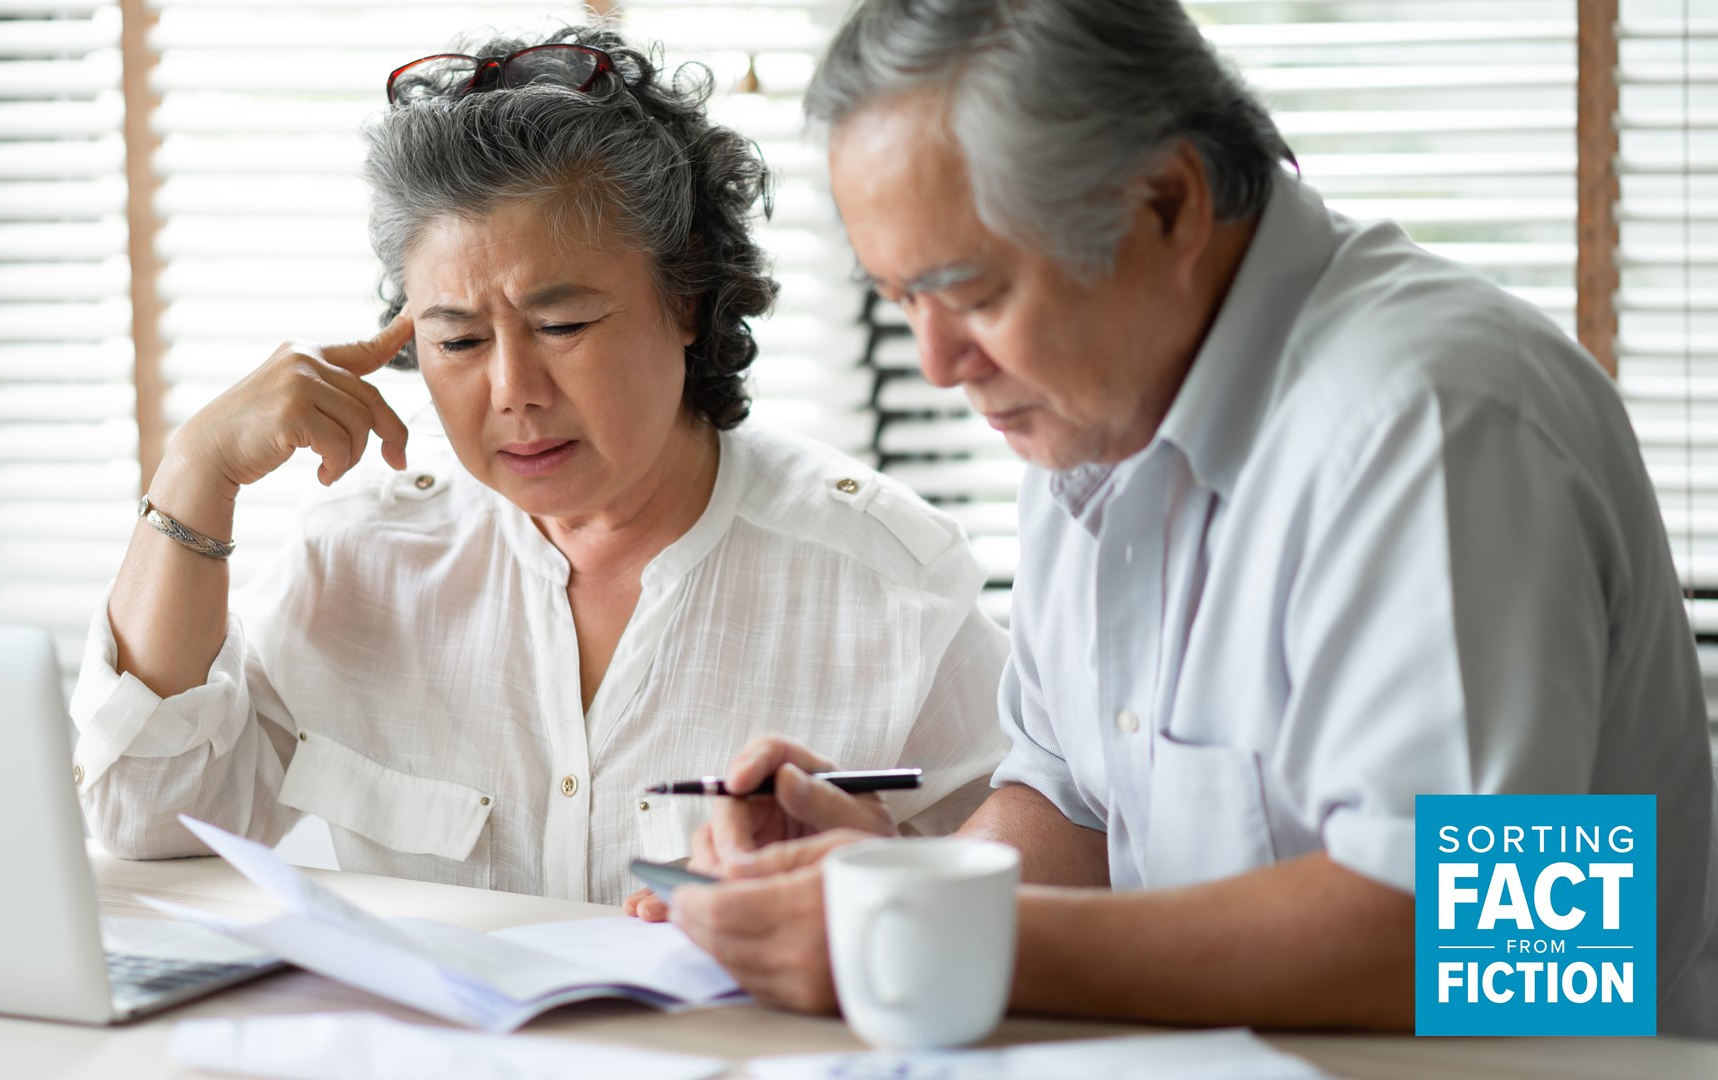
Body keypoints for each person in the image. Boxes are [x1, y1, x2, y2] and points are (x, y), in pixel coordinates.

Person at [651, 0, 1718, 1036]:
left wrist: (937, 933)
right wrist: (888, 886)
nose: (937, 366)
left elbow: (1506, 945)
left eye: (971, 292)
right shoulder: (1094, 413)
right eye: (901, 302)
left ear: (1166, 203)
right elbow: (1072, 804)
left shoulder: (1438, 421)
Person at [67, 25, 1010, 906]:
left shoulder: (889, 585)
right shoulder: (357, 567)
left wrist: (871, 890)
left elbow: (1037, 890)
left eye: (561, 326)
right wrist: (194, 474)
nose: (513, 389)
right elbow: (145, 823)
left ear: (686, 302)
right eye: (460, 340)